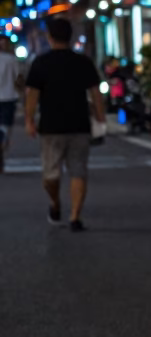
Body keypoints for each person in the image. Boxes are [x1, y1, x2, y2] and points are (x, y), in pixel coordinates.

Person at [24, 19, 105, 231]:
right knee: (76, 172)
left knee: (52, 174)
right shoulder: (83, 62)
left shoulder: (41, 63)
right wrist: (100, 116)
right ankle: (64, 207)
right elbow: (95, 92)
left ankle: (73, 215)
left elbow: (32, 94)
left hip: (51, 126)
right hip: (78, 123)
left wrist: (29, 120)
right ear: (69, 37)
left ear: (49, 37)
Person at [0, 36, 20, 173]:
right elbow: (18, 78)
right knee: (4, 128)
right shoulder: (11, 60)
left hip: (8, 97)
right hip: (8, 98)